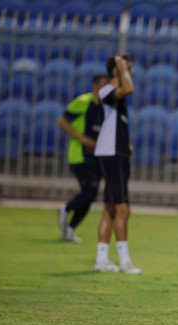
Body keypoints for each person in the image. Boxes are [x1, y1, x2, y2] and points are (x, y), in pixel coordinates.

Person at [93, 55, 140, 274]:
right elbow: (128, 88)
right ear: (116, 70)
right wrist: (122, 69)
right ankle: (125, 261)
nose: (132, 73)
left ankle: (101, 259)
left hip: (117, 152)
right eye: (128, 68)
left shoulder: (115, 96)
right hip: (111, 154)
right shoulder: (106, 91)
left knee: (110, 208)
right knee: (123, 208)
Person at [57, 74, 110, 243]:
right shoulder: (83, 101)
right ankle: (65, 209)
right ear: (95, 85)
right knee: (90, 191)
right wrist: (82, 138)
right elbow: (62, 121)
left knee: (90, 194)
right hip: (79, 155)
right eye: (102, 85)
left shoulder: (106, 106)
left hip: (97, 156)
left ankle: (70, 230)